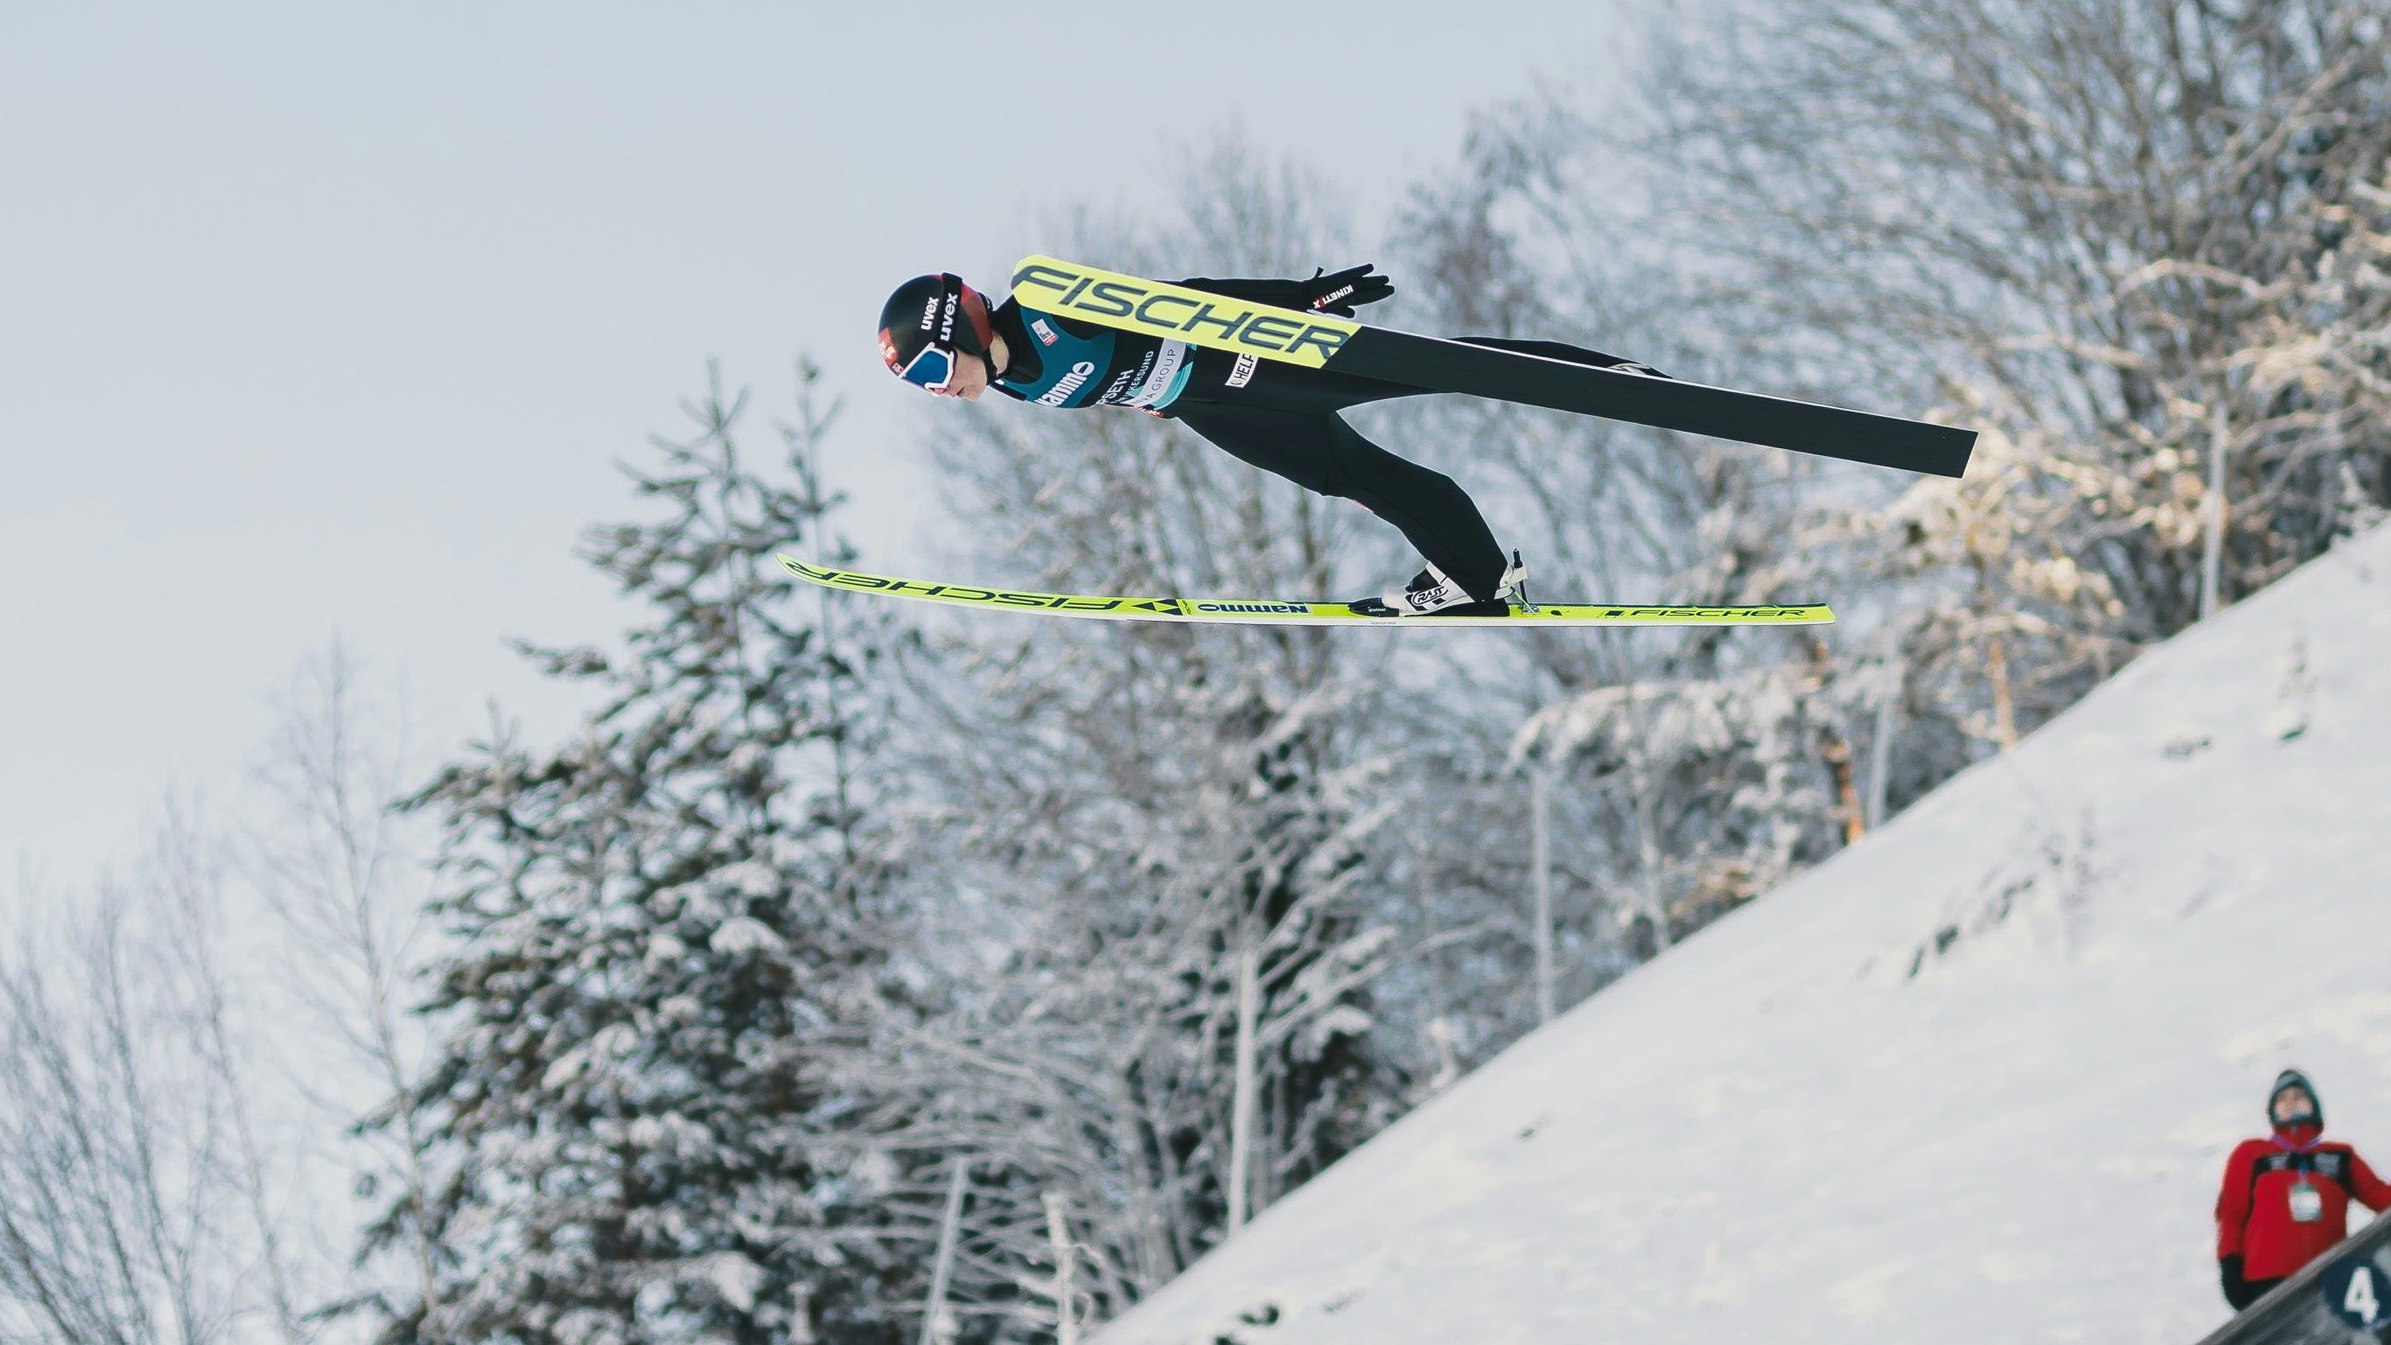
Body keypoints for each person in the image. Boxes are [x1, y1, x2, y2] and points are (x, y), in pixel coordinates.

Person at [874, 266, 1666, 616]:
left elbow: (1182, 298)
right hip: (1212, 408)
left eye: (935, 365)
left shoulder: (1045, 304)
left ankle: (1610, 376)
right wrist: (1145, 396)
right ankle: (1478, 577)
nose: (940, 387)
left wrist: (1301, 300)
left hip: (1248, 363)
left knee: (1441, 368)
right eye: (921, 384)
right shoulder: (1011, 381)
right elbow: (1108, 374)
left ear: (962, 327)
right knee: (1353, 476)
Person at [2215, 1069, 2391, 1310]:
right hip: (2265, 1284)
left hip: (2333, 1280)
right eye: (2282, 1098)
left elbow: (2379, 1195)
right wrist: (2230, 1266)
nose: (2291, 1102)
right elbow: (2231, 1214)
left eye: (2299, 1096)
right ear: (2272, 1111)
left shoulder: (2341, 1155)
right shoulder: (2251, 1152)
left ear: (2314, 1106)